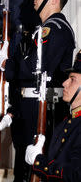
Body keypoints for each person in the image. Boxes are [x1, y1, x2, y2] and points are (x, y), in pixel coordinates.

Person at [0, 0, 75, 181]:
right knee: (23, 167)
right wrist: (13, 110)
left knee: (32, 171)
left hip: (43, 109)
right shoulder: (43, 29)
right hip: (28, 107)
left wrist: (4, 63)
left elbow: (32, 70)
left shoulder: (54, 29)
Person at [25, 50, 81, 181]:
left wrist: (38, 162)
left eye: (72, 80)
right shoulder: (66, 123)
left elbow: (74, 175)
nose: (64, 83)